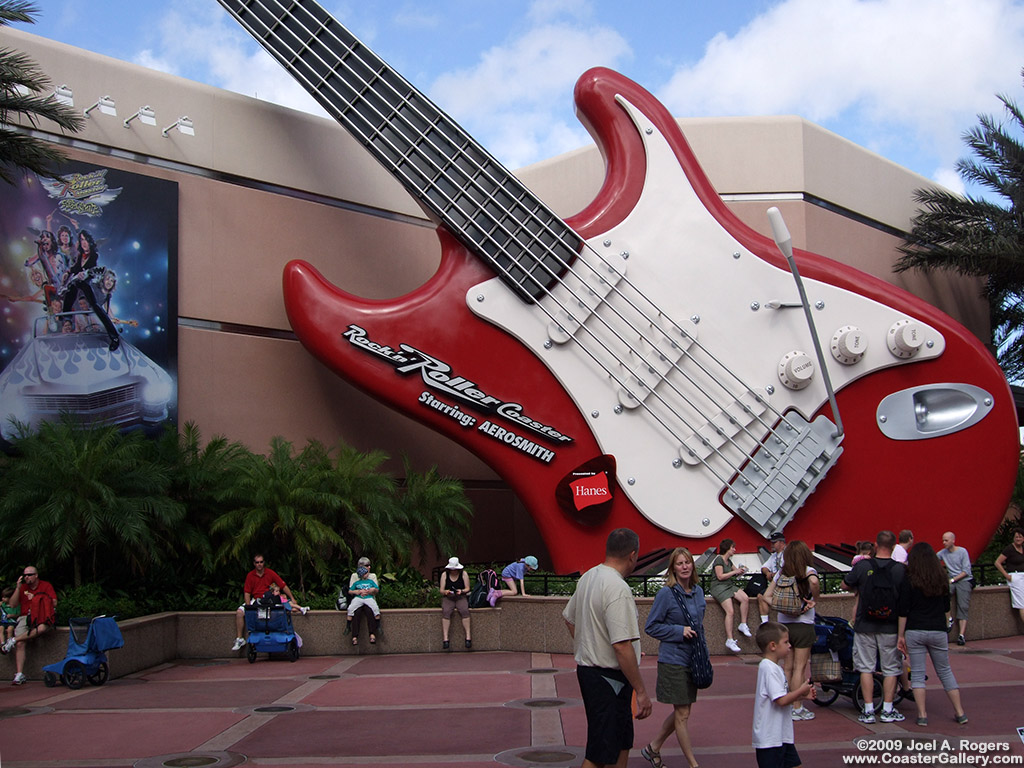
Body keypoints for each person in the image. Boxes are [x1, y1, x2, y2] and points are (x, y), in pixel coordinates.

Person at [563, 528, 651, 768]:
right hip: (608, 677)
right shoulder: (618, 588)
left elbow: (570, 619)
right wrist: (641, 691)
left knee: (621, 741)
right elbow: (621, 646)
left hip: (594, 673)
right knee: (600, 751)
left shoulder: (589, 577)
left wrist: (591, 644)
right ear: (632, 555)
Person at [642, 547, 705, 768]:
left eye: (687, 562)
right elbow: (651, 626)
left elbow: (700, 626)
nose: (685, 567)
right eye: (680, 563)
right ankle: (693, 764)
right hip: (673, 660)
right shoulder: (666, 594)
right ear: (673, 569)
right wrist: (679, 631)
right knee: (682, 712)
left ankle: (653, 747)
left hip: (693, 659)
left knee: (684, 710)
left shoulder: (697, 592)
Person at [896, 541, 968, 727]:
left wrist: (900, 635)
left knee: (918, 674)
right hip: (937, 629)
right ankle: (960, 712)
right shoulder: (941, 577)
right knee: (945, 671)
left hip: (915, 629)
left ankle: (922, 715)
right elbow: (945, 606)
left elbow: (903, 610)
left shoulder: (909, 579)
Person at [843, 530, 905, 723]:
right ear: (894, 546)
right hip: (890, 625)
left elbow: (845, 585)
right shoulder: (900, 569)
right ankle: (887, 709)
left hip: (865, 624)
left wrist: (859, 588)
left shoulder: (863, 565)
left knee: (866, 668)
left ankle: (868, 710)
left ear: (876, 546)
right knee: (891, 669)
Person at [763, 540, 819, 721]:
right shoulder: (808, 571)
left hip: (784, 626)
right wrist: (814, 600)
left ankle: (785, 703)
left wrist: (781, 607)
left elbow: (766, 596)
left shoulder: (781, 573)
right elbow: (814, 582)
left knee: (787, 667)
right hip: (803, 624)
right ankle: (797, 706)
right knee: (800, 668)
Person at [752, 622, 814, 768]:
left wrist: (802, 697)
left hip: (781, 736)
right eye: (785, 642)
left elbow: (782, 697)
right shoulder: (768, 668)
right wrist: (800, 690)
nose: (789, 646)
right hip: (770, 739)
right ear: (773, 646)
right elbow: (780, 700)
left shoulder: (776, 668)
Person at [1, 566, 58, 685]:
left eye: (30, 575)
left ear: (36, 575)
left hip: (42, 616)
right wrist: (17, 588)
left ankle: (13, 640)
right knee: (21, 643)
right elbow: (12, 604)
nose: (27, 577)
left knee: (41, 628)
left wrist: (37, 598)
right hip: (25, 617)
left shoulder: (45, 585)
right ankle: (19, 674)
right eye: (25, 575)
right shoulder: (23, 588)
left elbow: (54, 602)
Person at [231, 554, 298, 651]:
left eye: (261, 562)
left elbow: (282, 585)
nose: (259, 564)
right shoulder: (250, 575)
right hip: (256, 600)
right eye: (257, 562)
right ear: (254, 564)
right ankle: (240, 639)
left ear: (264, 563)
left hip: (268, 600)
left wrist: (292, 598)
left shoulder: (270, 573)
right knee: (239, 613)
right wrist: (248, 606)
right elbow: (247, 592)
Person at [708, 538, 751, 653]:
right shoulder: (719, 560)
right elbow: (720, 576)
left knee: (745, 598)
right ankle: (730, 639)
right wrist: (734, 572)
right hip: (719, 587)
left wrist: (741, 571)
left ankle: (743, 624)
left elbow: (735, 573)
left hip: (728, 585)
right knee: (730, 611)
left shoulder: (729, 562)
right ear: (727, 548)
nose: (735, 550)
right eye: (733, 547)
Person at [936, 531, 972, 646]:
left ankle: (961, 635)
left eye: (946, 540)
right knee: (943, 595)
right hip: (951, 580)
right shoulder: (943, 553)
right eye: (943, 540)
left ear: (953, 540)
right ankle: (949, 619)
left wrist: (953, 580)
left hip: (963, 580)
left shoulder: (962, 551)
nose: (944, 543)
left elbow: (966, 571)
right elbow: (933, 559)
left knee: (963, 605)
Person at [994, 527, 1024, 631]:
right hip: (1015, 576)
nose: (1018, 538)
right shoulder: (1009, 549)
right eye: (1016, 537)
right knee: (1021, 603)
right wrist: (1007, 576)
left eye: (1020, 536)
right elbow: (997, 562)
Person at [347, 556, 381, 645]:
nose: (369, 567)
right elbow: (351, 590)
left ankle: (372, 634)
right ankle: (354, 636)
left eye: (369, 565)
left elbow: (376, 590)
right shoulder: (354, 576)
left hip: (369, 598)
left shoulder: (372, 576)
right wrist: (358, 591)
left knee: (370, 611)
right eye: (367, 565)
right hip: (358, 599)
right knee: (356, 612)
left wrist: (371, 591)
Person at [440, 556, 472, 650]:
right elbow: (441, 590)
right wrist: (446, 592)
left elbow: (467, 588)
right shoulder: (444, 575)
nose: (453, 571)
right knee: (446, 611)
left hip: (460, 596)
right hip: (449, 597)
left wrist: (461, 591)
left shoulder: (463, 574)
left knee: (464, 610)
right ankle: (445, 639)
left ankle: (468, 637)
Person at [756, 532, 786, 626]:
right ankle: (765, 623)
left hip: (785, 585)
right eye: (771, 542)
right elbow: (764, 568)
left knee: (765, 596)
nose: (772, 545)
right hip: (775, 586)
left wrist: (773, 575)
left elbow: (786, 570)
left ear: (781, 543)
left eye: (774, 542)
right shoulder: (773, 556)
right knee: (761, 596)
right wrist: (768, 573)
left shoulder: (787, 554)